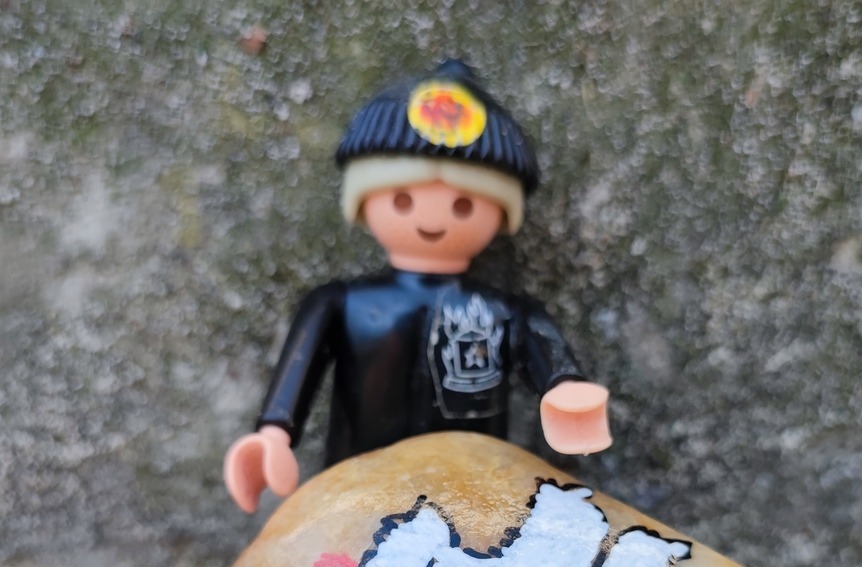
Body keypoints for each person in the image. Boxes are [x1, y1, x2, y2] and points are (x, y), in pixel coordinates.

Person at [225, 59, 611, 513]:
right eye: (402, 200)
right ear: (363, 198)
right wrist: (273, 435)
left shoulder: (502, 312)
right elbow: (299, 370)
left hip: (467, 500)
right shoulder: (340, 303)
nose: (430, 218)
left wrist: (563, 385)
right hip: (358, 492)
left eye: (464, 205)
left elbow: (544, 351)